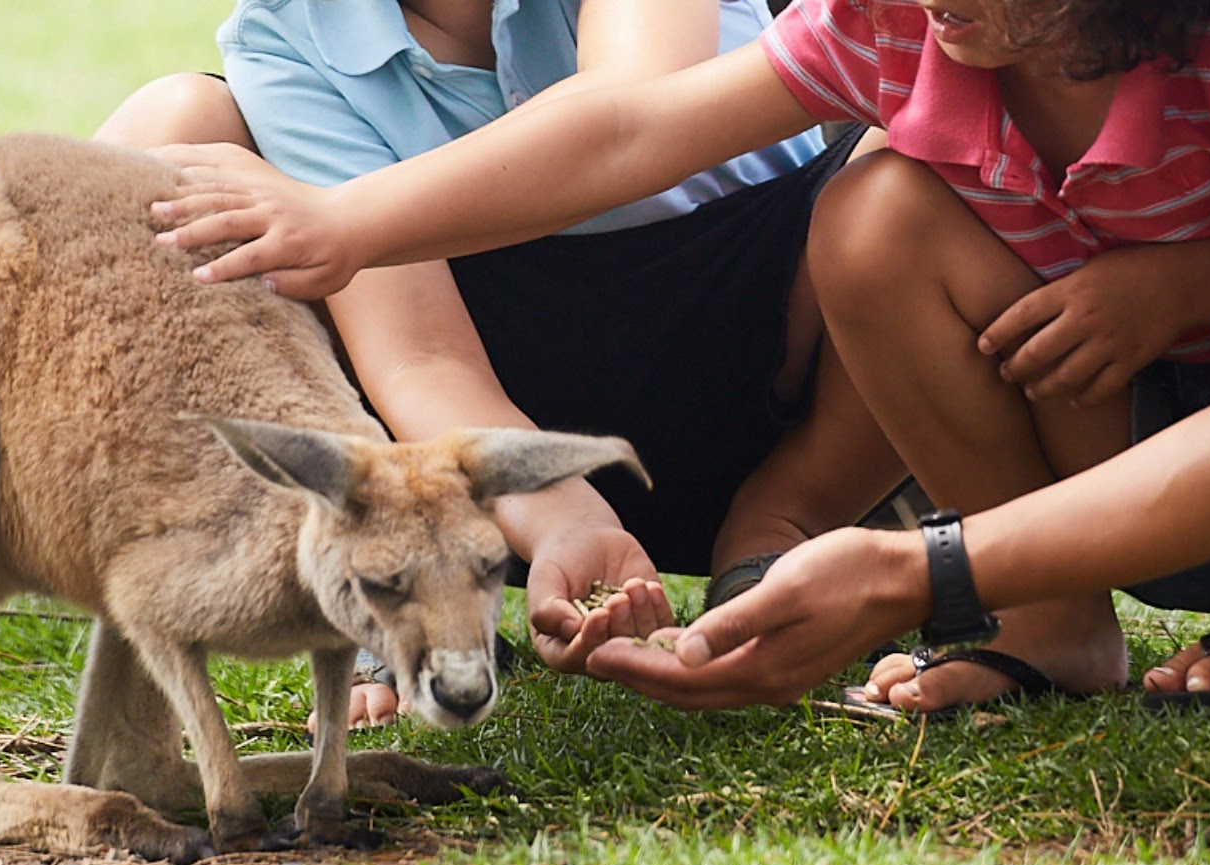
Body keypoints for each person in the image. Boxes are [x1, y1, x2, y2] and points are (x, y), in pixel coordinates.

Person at [151, 0, 1210, 713]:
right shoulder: (905, 25)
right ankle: (1049, 619)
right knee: (879, 214)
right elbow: (618, 139)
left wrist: (1172, 280)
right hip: (1080, 436)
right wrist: (344, 223)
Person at [99, 1, 907, 728]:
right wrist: (562, 516)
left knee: (908, 160)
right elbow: (419, 354)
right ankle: (412, 570)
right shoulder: (297, 32)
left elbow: (632, 109)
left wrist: (345, 214)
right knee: (174, 131)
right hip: (492, 455)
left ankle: (785, 520)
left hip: (770, 373)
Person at [580, 195, 1210, 712]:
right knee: (879, 209)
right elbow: (637, 128)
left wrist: (919, 572)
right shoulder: (923, 38)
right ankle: (1054, 619)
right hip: (1100, 471)